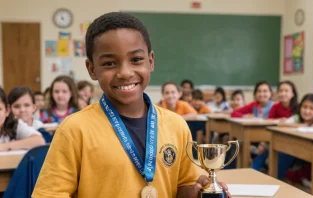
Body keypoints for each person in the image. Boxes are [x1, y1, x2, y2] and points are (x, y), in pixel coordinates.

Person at [32, 12, 231, 198]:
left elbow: (181, 185)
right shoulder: (74, 130)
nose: (125, 72)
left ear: (151, 61)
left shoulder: (176, 125)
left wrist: (198, 190)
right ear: (91, 69)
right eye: (109, 63)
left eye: (136, 59)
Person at [0, 87, 45, 151]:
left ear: (7, 110)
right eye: (17, 106)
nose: (22, 110)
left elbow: (39, 141)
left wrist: (6, 146)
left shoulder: (14, 125)